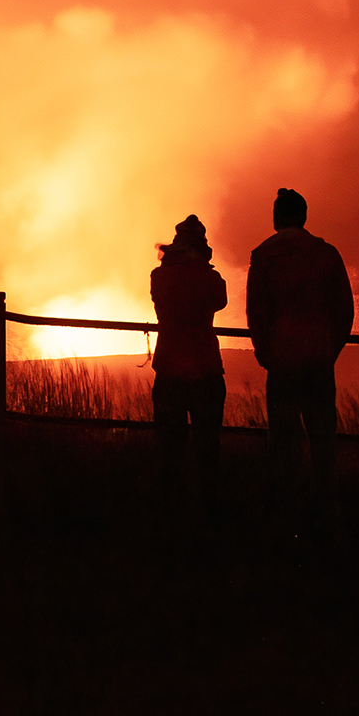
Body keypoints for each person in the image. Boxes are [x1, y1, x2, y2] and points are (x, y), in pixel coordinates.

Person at [245, 186, 354, 537]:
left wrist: (266, 352)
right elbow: (345, 310)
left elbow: (257, 312)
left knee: (283, 439)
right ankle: (326, 515)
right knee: (323, 437)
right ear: (304, 216)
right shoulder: (326, 254)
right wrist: (328, 349)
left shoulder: (264, 256)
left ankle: (285, 516)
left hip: (283, 361)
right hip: (319, 360)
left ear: (277, 218)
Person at [149, 213, 228, 522]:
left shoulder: (159, 276)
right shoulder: (209, 278)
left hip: (168, 367)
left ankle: (170, 512)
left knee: (169, 447)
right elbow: (219, 301)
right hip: (205, 367)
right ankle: (207, 512)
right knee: (207, 445)